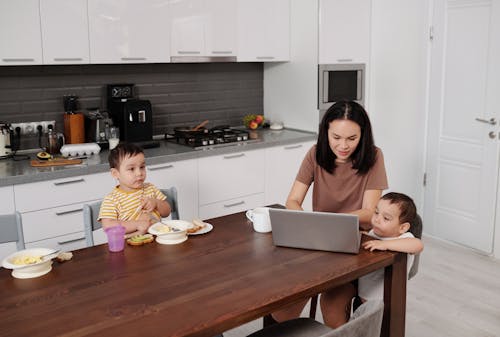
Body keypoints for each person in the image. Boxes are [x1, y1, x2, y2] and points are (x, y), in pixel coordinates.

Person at [272, 100, 388, 326]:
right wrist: (308, 221)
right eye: (336, 138)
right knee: (283, 307)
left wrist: (332, 222)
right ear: (326, 132)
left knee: (332, 305)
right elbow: (293, 200)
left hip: (355, 245)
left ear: (362, 136)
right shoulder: (315, 154)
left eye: (351, 139)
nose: (343, 145)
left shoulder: (374, 157)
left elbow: (369, 213)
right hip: (317, 242)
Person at [98, 142, 172, 235]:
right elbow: (108, 226)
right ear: (115, 173)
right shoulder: (112, 199)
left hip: (158, 239)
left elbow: (167, 211)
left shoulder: (150, 188)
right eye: (131, 169)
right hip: (130, 244)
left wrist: (156, 203)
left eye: (142, 167)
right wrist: (137, 224)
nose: (139, 173)